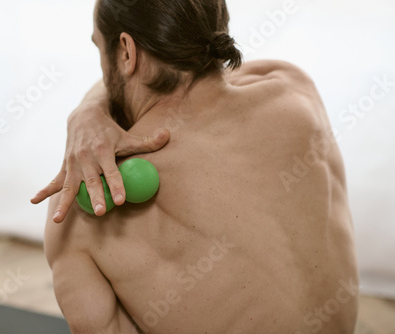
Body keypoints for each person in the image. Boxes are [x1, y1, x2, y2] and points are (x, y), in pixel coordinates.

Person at [32, 0, 359, 333]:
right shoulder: (291, 87)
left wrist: (85, 112)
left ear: (127, 52)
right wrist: (88, 112)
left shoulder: (79, 212)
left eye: (101, 49)